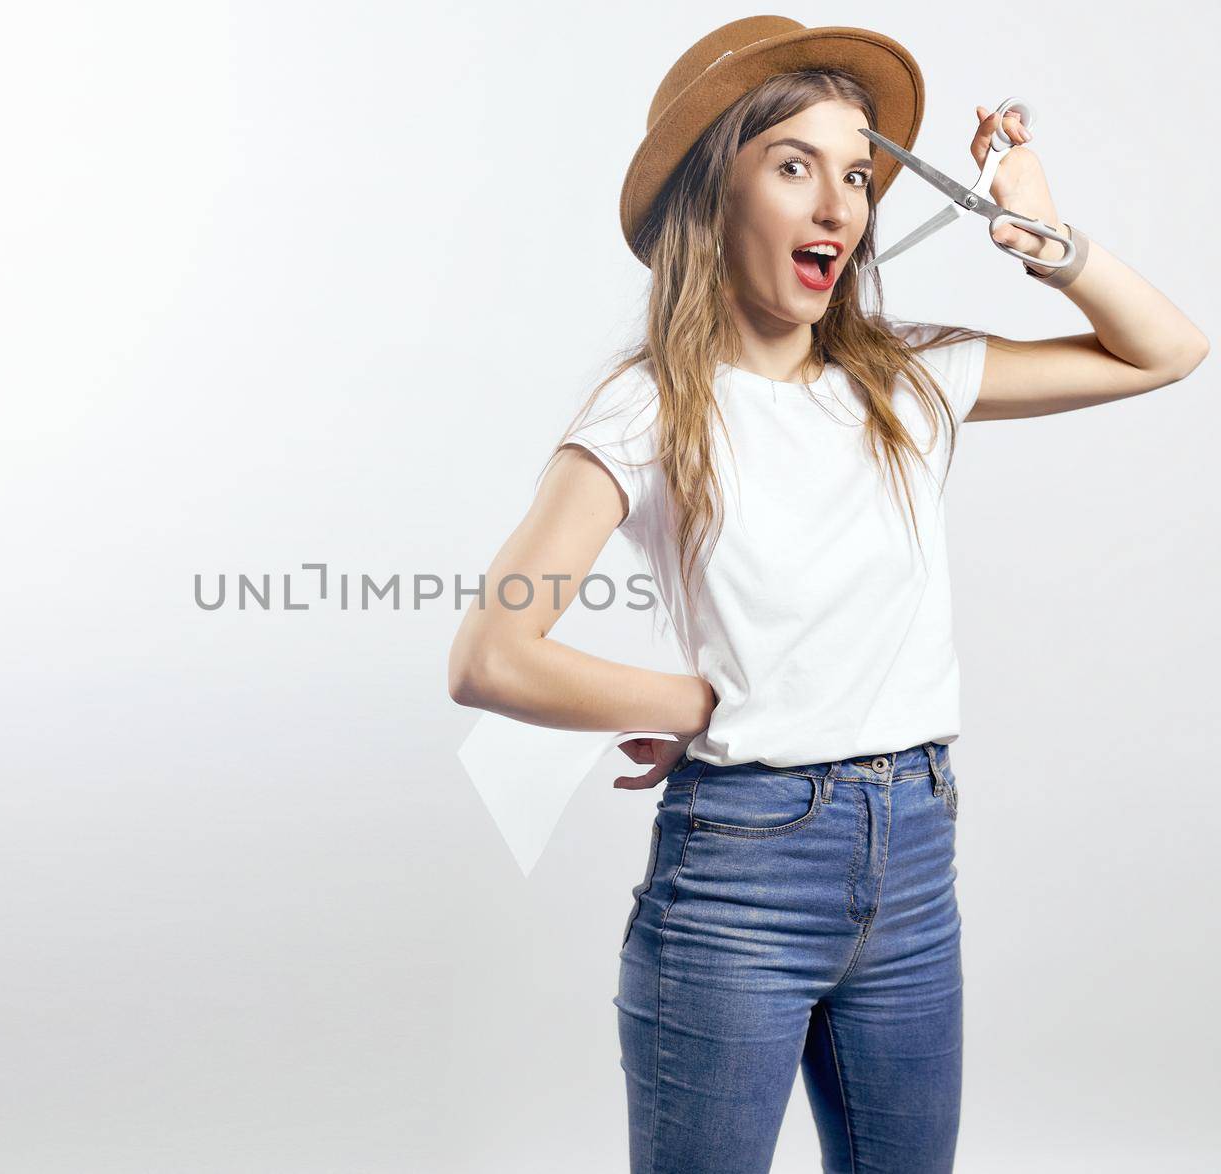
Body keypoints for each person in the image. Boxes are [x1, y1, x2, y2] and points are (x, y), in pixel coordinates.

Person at [445, 15, 1208, 1174]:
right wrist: (703, 701)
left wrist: (1046, 235)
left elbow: (1163, 351)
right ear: (716, 194)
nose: (837, 205)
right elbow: (493, 653)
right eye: (794, 165)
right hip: (739, 874)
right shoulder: (649, 412)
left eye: (856, 174)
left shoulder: (905, 380)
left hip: (912, 864)